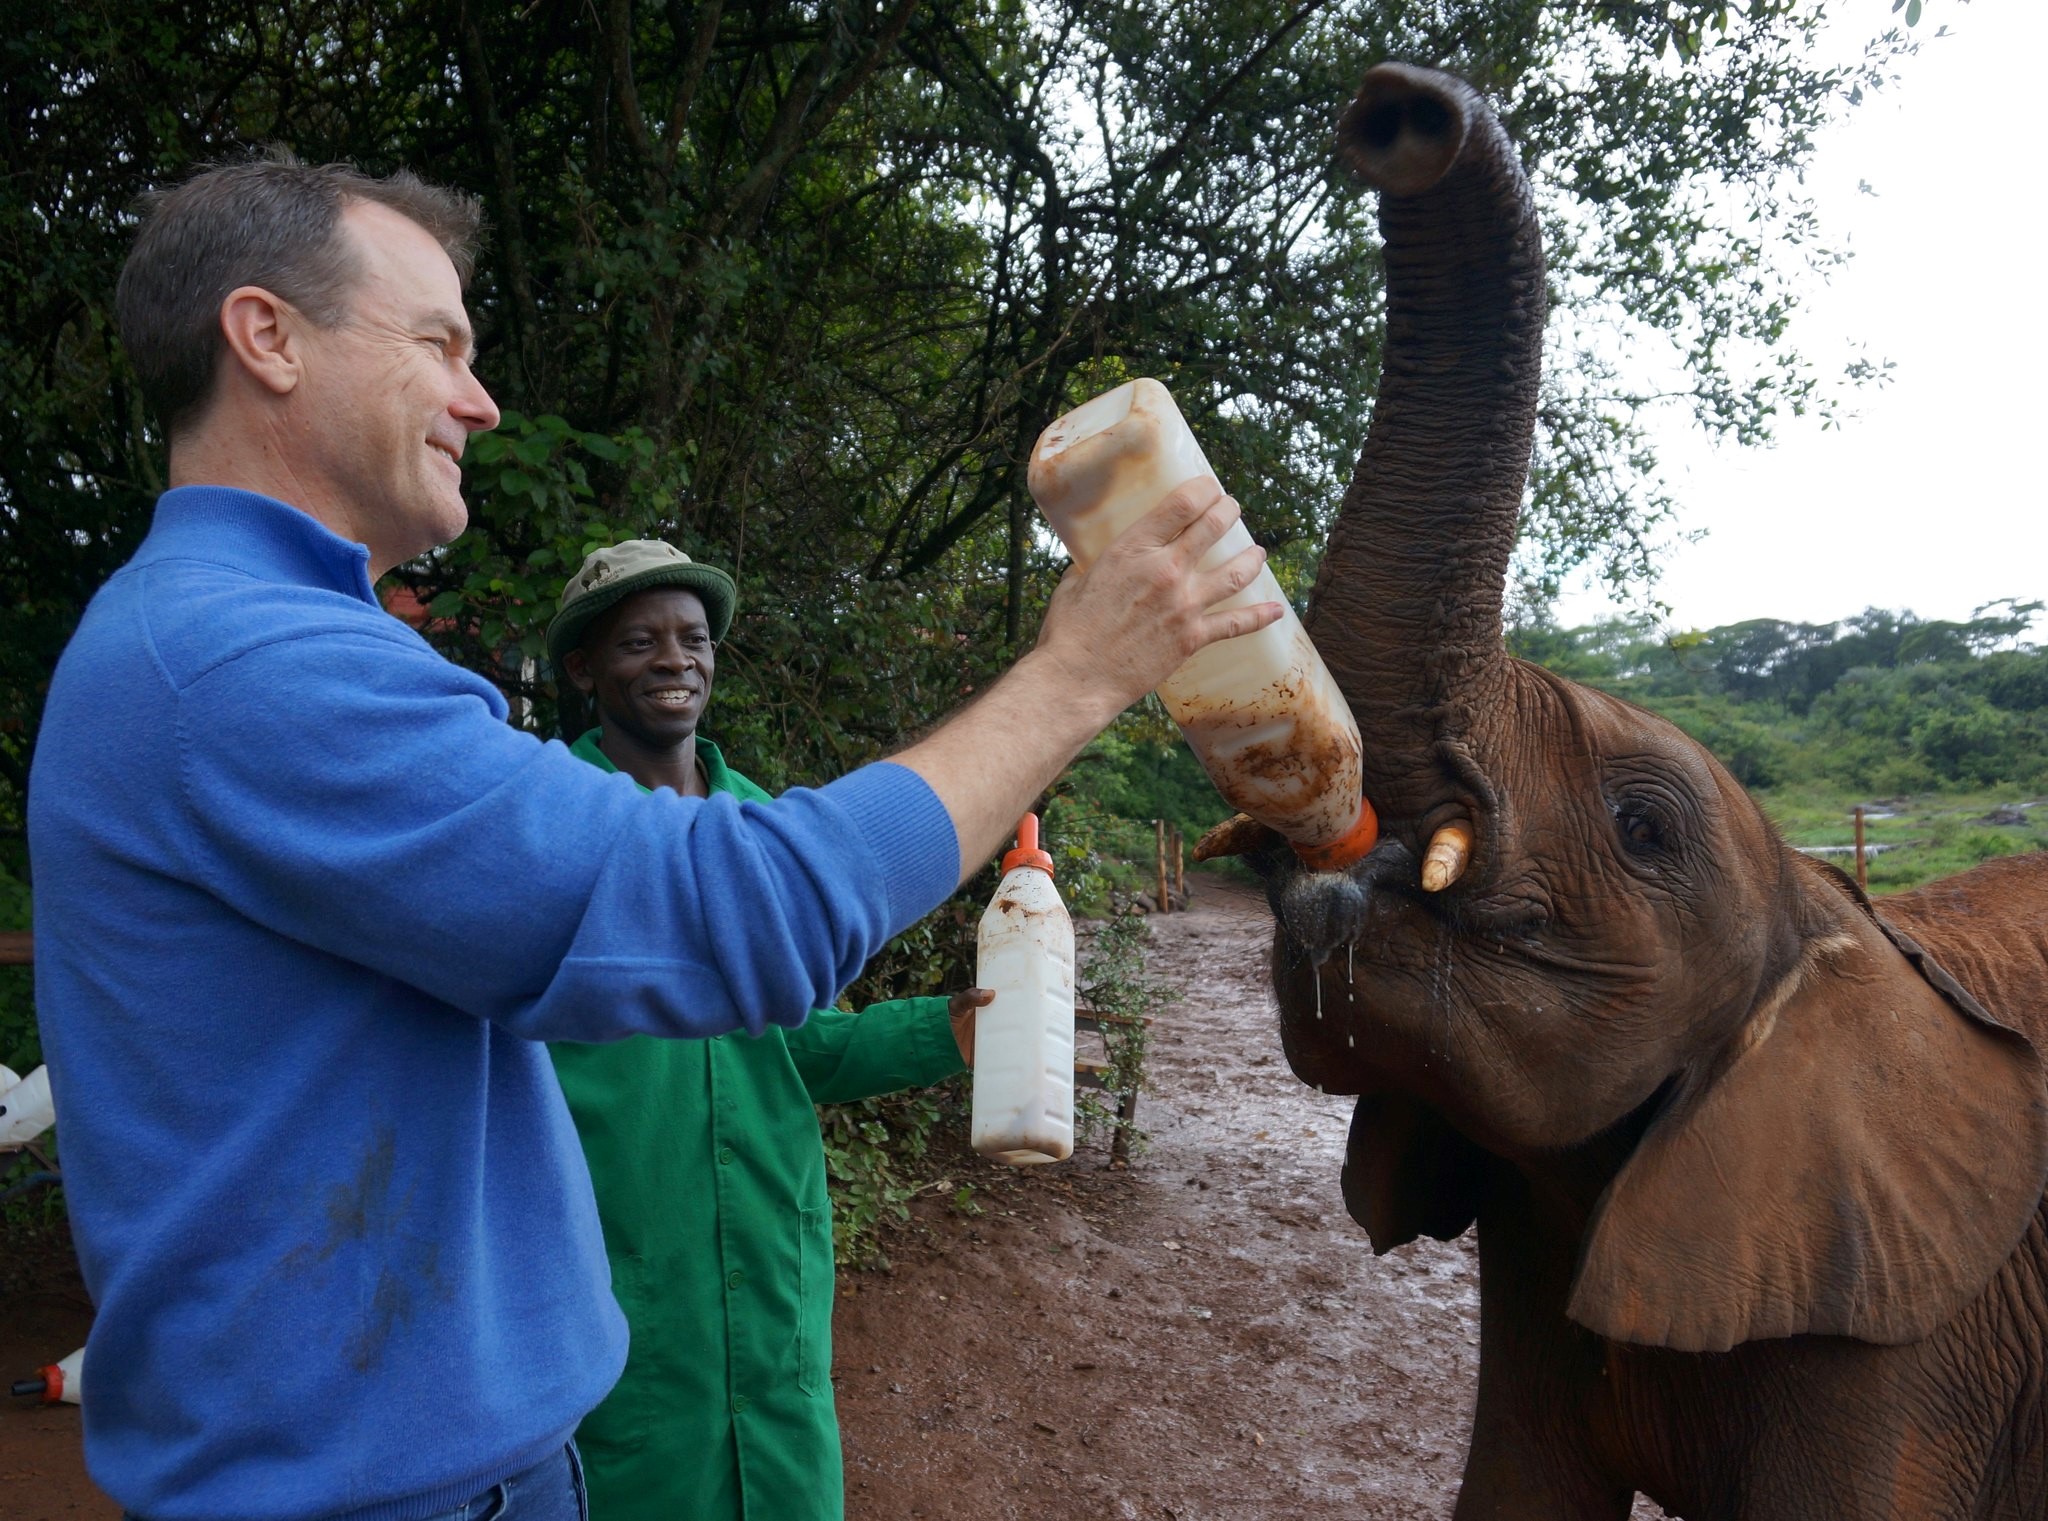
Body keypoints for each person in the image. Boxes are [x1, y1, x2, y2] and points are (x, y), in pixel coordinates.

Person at [26, 151, 1279, 1521]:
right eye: (439, 342)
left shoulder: (237, 647)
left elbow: (772, 1021)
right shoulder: (242, 662)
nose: (480, 398)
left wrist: (951, 1033)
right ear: (266, 337)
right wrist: (1083, 671)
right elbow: (734, 919)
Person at [544, 541, 985, 1520]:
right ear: (583, 668)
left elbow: (803, 1047)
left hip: (771, 1279)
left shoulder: (764, 834)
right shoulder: (543, 828)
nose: (673, 659)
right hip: (618, 1284)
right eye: (639, 642)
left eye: (693, 639)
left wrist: (950, 1031)